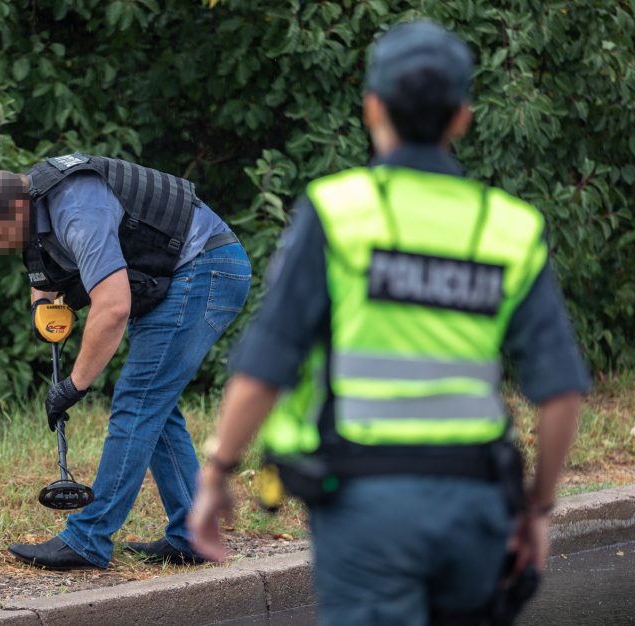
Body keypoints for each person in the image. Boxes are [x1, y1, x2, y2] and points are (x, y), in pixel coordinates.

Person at [187, 20, 589, 626]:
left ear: (373, 107)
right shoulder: (509, 229)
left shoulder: (337, 212)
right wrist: (538, 509)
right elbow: (560, 391)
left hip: (366, 508)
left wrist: (218, 469)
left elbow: (270, 359)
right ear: (462, 117)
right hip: (475, 505)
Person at [0, 154, 251, 569]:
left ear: (15, 209)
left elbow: (113, 307)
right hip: (179, 275)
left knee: (136, 401)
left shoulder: (78, 210)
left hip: (205, 268)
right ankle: (194, 533)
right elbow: (42, 276)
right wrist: (41, 309)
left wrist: (74, 385)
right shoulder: (35, 206)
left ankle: (88, 539)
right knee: (155, 406)